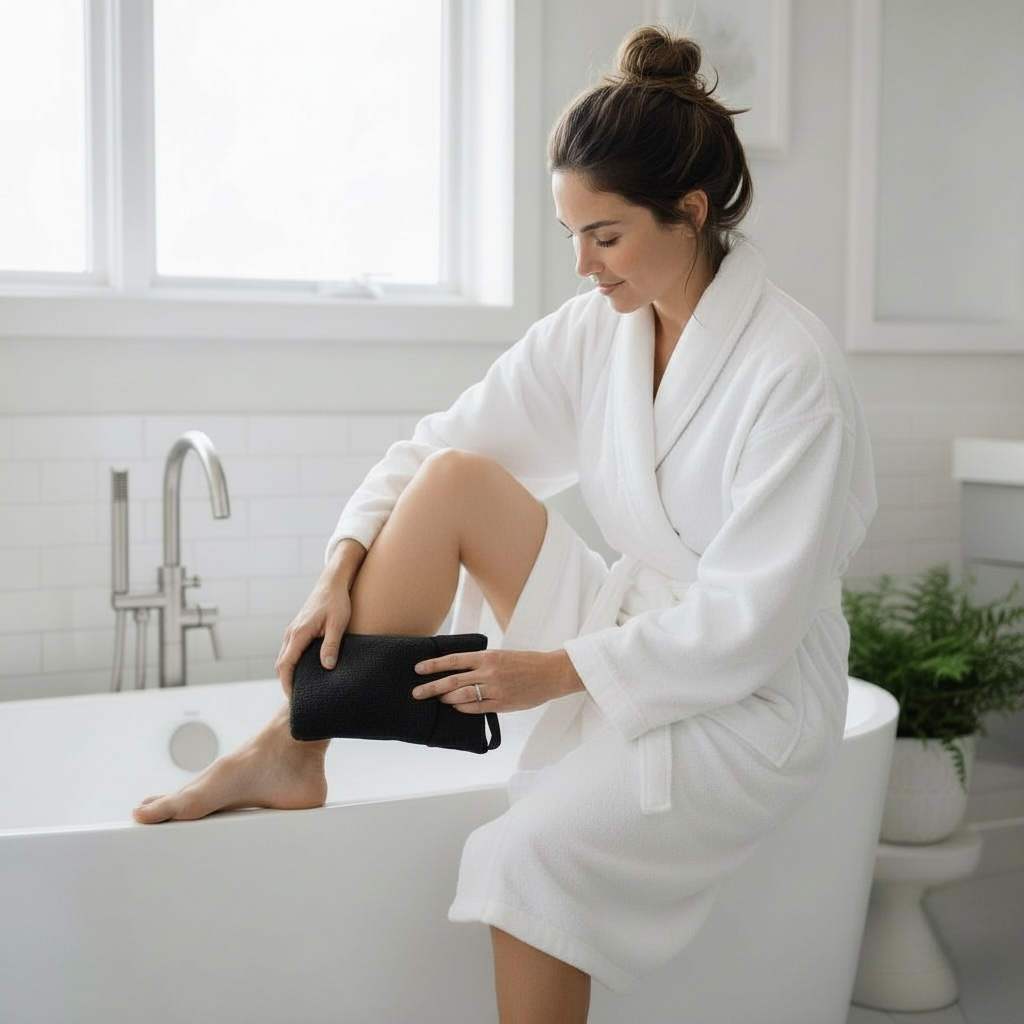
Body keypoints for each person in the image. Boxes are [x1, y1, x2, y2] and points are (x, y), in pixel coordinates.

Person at [133, 24, 876, 1024]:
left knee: (525, 857)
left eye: (603, 236)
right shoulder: (596, 332)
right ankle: (291, 746)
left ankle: (339, 758)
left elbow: (753, 620)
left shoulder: (791, 371)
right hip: (630, 624)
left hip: (746, 692)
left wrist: (558, 669)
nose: (580, 265)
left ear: (688, 212)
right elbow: (432, 449)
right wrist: (339, 563)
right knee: (452, 483)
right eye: (568, 233)